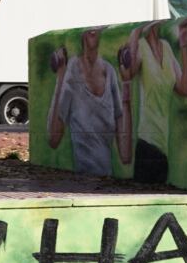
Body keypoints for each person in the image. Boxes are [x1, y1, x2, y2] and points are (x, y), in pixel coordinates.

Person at [47, 26, 134, 177]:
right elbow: (53, 139)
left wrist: (126, 83)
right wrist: (60, 78)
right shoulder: (72, 70)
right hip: (82, 179)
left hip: (106, 181)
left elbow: (125, 154)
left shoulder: (110, 72)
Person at [127, 16, 187, 183]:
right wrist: (134, 34)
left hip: (163, 145)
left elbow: (184, 88)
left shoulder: (166, 47)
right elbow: (129, 72)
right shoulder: (140, 47)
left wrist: (183, 46)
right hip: (146, 140)